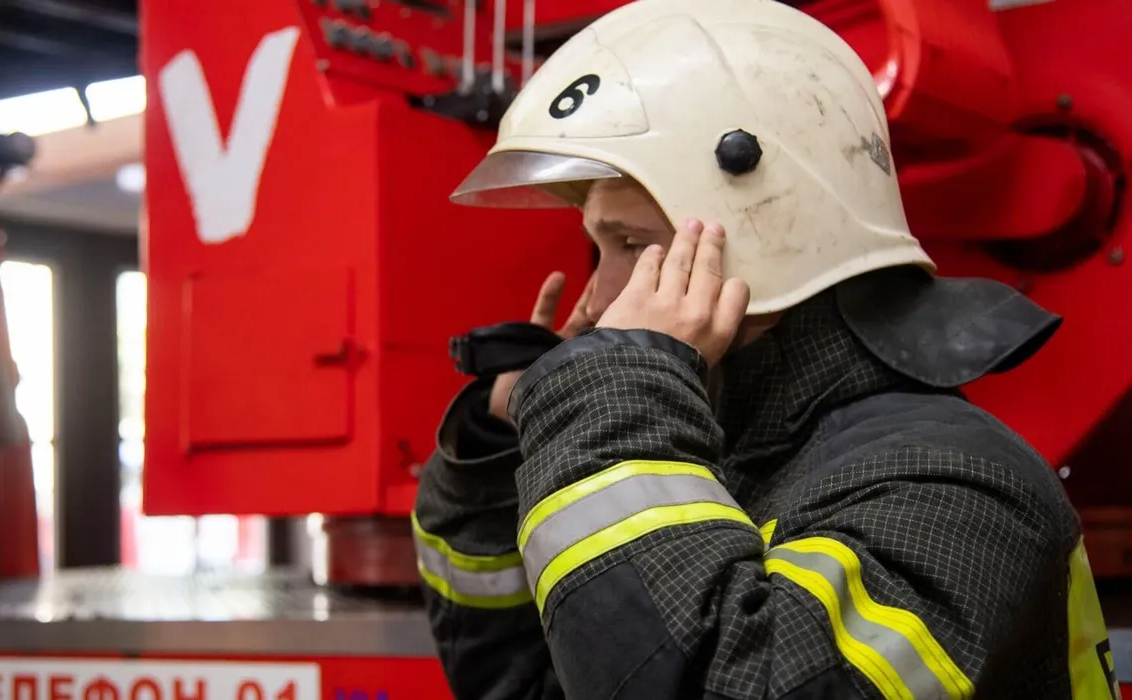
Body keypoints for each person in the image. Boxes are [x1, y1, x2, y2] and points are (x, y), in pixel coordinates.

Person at [410, 0, 1118, 697]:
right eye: (596, 248)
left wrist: (612, 407)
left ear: (769, 231)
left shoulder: (956, 487)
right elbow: (530, 683)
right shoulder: (716, 454)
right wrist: (499, 460)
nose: (594, 302)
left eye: (631, 246)